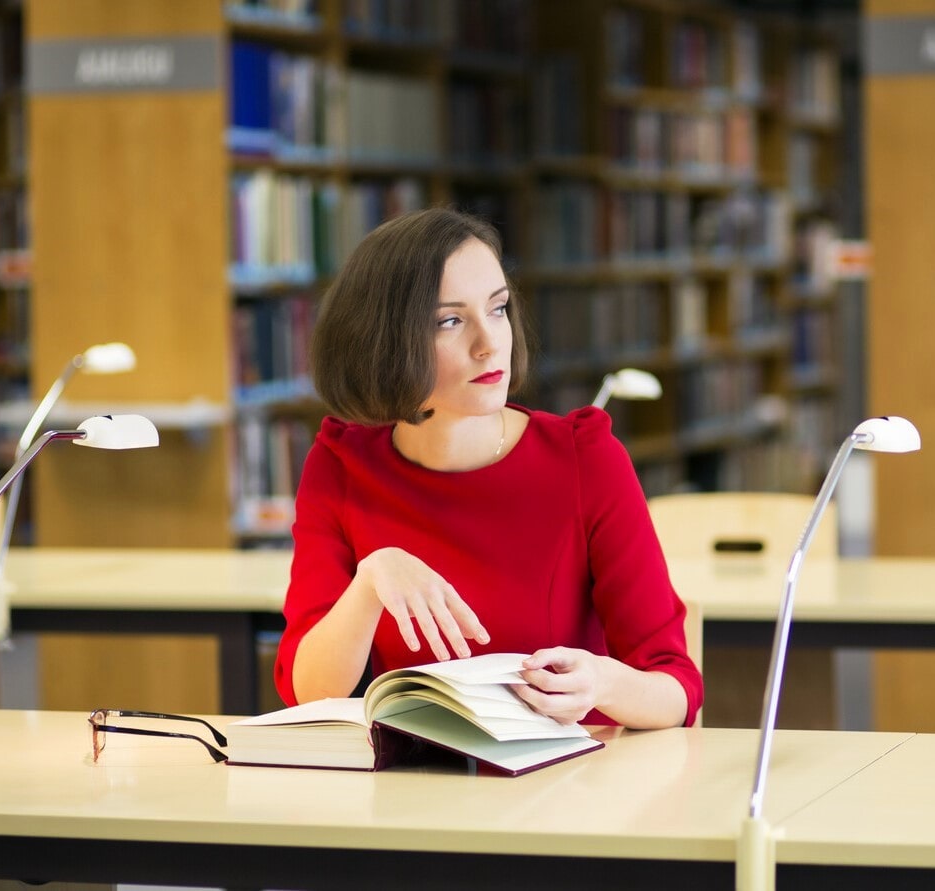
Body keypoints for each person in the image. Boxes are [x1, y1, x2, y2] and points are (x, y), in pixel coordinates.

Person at [276, 207, 702, 729]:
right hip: (414, 784)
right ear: (385, 341)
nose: (489, 342)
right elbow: (309, 693)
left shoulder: (583, 457)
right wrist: (369, 583)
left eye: (498, 309)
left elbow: (676, 689)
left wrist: (604, 681)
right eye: (450, 321)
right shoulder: (341, 464)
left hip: (566, 784)